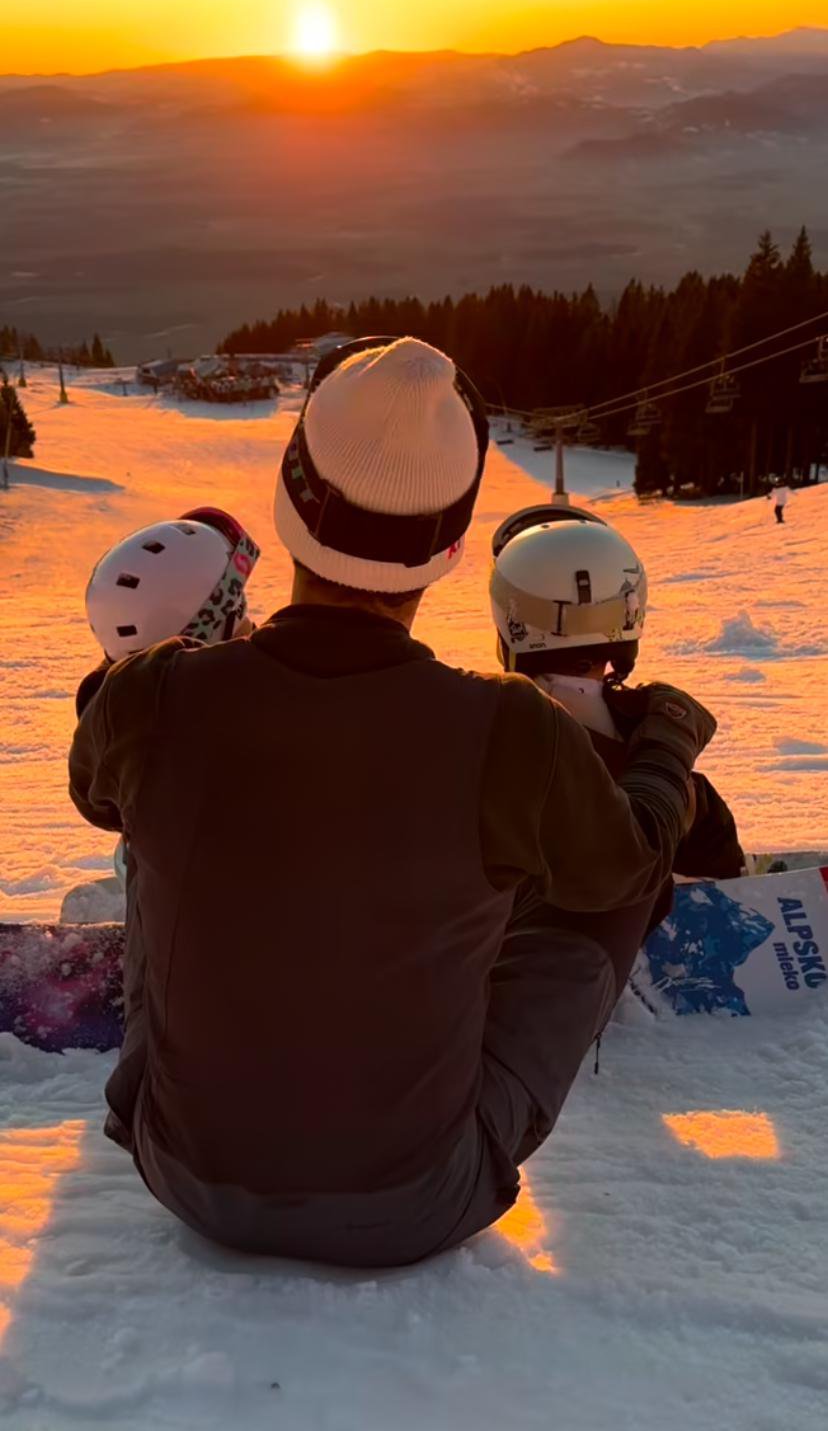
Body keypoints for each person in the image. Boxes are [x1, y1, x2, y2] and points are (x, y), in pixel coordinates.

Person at [69, 337, 716, 1268]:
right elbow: (626, 863)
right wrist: (666, 747)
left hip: (183, 1171)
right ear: (452, 547)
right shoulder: (513, 730)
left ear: (290, 502)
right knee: (607, 879)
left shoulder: (150, 695)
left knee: (156, 835)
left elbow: (100, 800)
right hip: (414, 1202)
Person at [488, 504, 744, 1005]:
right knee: (695, 803)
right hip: (584, 956)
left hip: (504, 958)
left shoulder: (481, 724)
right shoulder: (643, 737)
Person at [79, 506, 260, 886]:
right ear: (220, 628)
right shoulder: (269, 706)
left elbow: (96, 800)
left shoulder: (121, 726)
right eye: (240, 608)